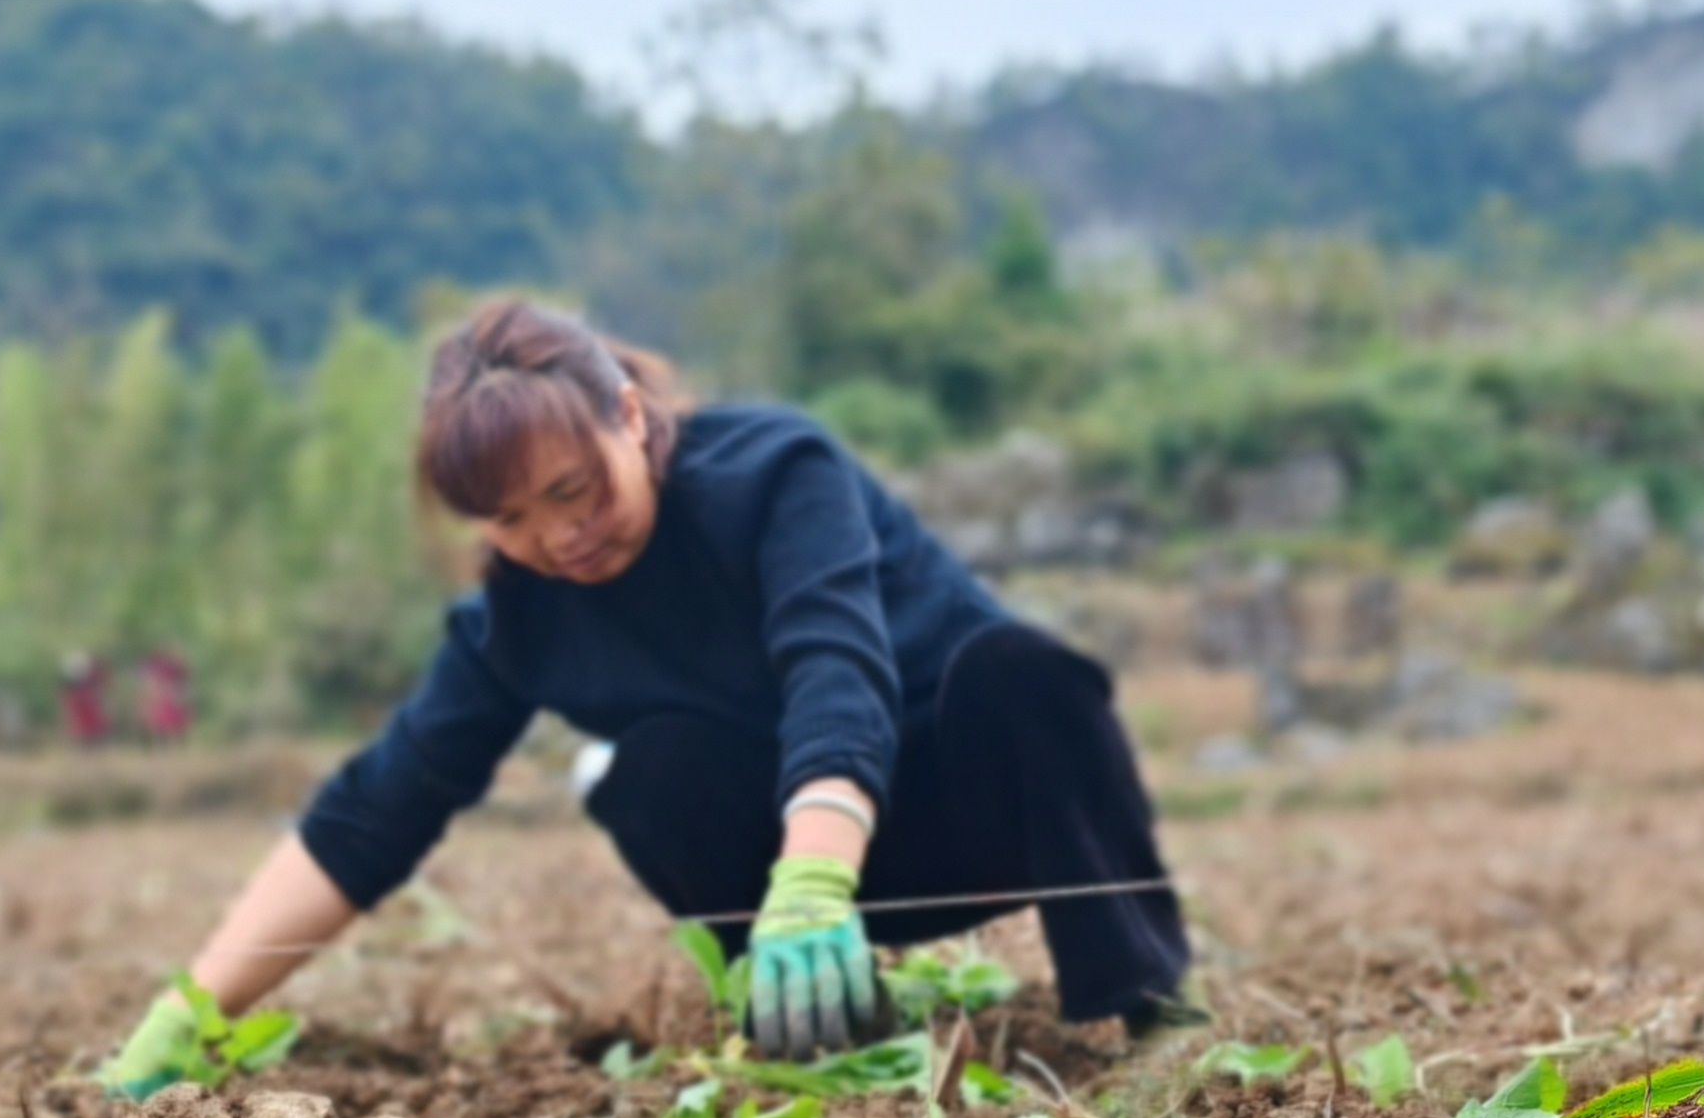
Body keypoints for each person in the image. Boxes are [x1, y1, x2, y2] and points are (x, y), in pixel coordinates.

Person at [116, 300, 1189, 1067]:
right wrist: (196, 1010)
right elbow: (374, 811)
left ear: (628, 415)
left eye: (572, 490)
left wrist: (813, 881)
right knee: (650, 771)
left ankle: (1149, 1012)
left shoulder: (774, 474)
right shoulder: (518, 620)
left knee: (1027, 671)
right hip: (793, 900)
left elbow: (836, 668)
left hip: (964, 808)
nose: (557, 536)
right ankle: (810, 1022)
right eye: (511, 519)